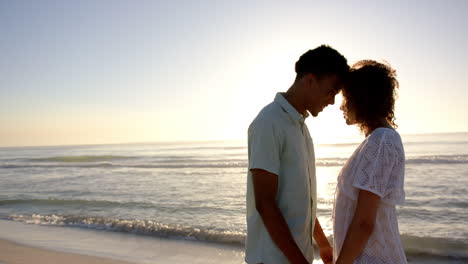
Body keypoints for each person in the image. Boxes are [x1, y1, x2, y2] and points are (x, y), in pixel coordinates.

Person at [245, 45, 349, 264]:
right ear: (309, 80)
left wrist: (322, 244)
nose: (332, 101)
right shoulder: (269, 123)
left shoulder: (301, 126)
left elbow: (302, 200)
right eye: (330, 91)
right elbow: (265, 203)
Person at [333, 60, 407, 264]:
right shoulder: (379, 140)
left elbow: (364, 222)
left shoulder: (381, 141)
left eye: (345, 98)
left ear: (362, 98)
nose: (341, 106)